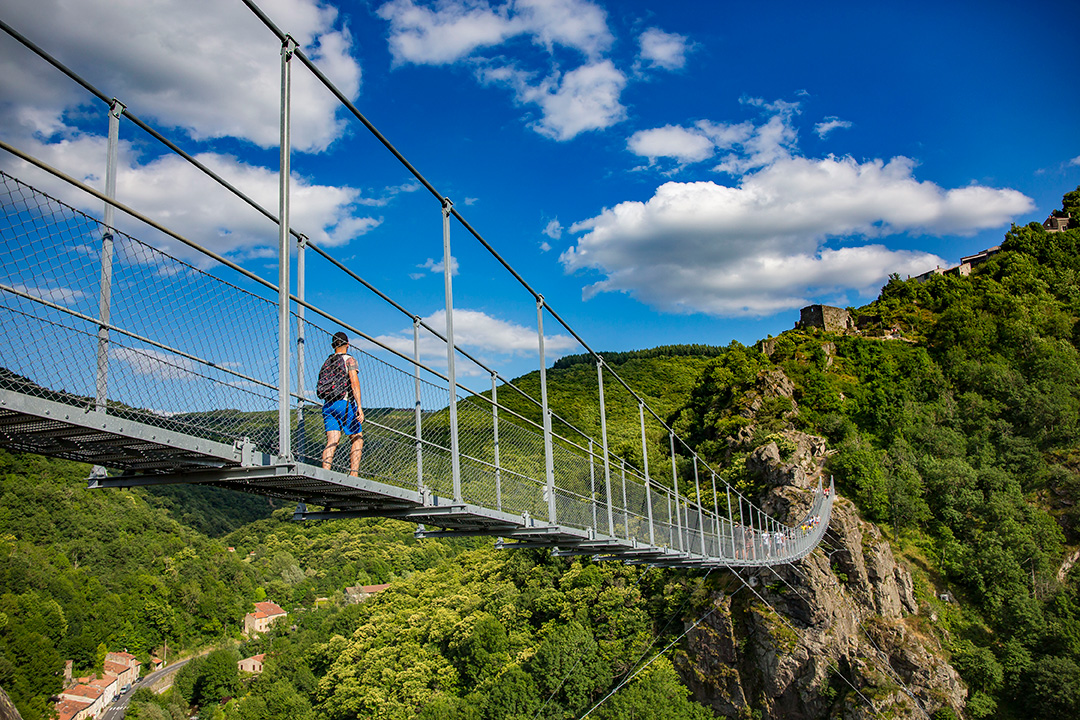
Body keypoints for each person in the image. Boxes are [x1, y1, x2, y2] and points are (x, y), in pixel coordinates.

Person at [321, 331, 364, 476]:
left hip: (328, 405)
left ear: (333, 345)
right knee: (357, 438)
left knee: (332, 441)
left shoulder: (327, 362)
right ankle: (354, 474)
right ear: (347, 344)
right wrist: (359, 406)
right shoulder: (349, 360)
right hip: (344, 404)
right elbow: (354, 383)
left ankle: (325, 473)